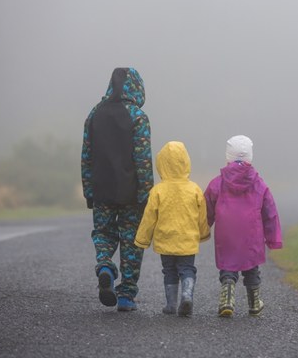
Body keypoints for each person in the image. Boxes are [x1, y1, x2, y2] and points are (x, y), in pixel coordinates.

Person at [81, 67, 154, 312]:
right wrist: (147, 196)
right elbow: (143, 160)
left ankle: (104, 266)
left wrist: (89, 190)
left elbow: (86, 157)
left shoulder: (94, 115)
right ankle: (126, 295)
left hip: (101, 188)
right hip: (131, 193)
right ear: (136, 87)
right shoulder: (138, 117)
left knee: (103, 232)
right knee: (132, 241)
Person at [204, 135, 283, 317]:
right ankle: (254, 302)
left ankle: (227, 297)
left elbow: (206, 206)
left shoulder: (218, 183)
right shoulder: (259, 184)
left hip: (227, 232)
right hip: (251, 233)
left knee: (228, 265)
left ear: (228, 157)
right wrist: (273, 239)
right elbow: (270, 212)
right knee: (251, 265)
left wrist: (203, 227)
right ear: (250, 158)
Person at [135, 141, 211, 317]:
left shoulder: (158, 191)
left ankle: (171, 304)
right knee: (187, 269)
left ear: (162, 164)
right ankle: (187, 296)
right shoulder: (194, 189)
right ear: (186, 162)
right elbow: (202, 215)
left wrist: (142, 239)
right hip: (187, 240)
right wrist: (203, 233)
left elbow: (149, 217)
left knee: (169, 271)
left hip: (166, 239)